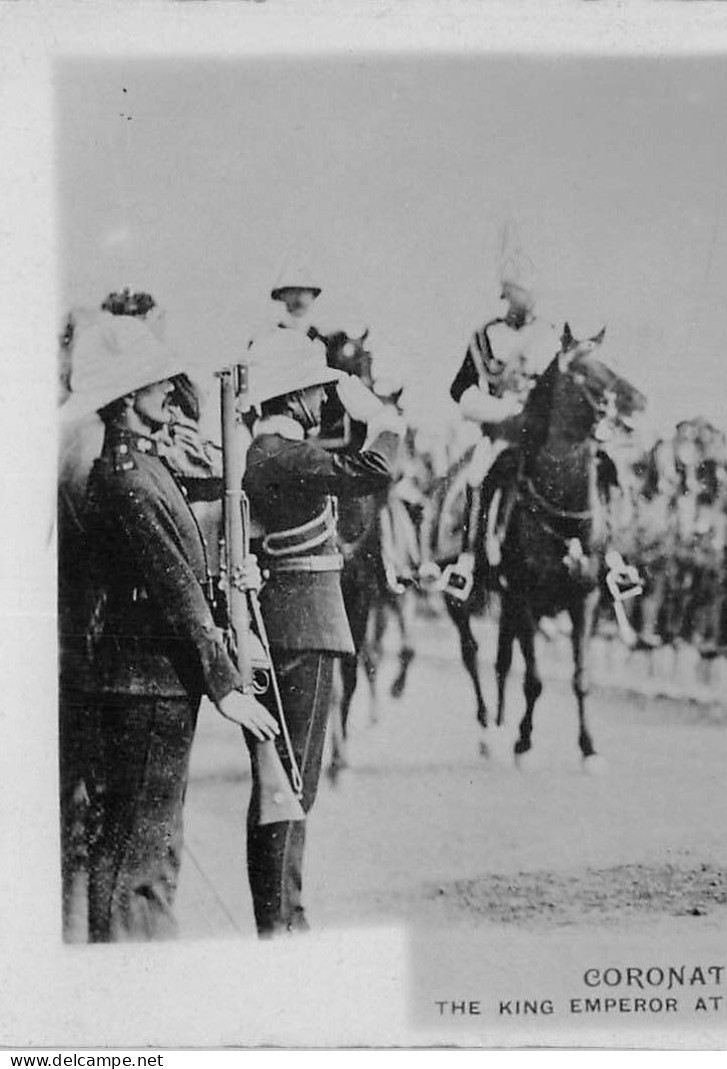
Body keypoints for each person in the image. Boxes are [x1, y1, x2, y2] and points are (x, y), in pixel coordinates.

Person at [64, 314, 278, 942]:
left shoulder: (145, 466)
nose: (170, 392)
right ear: (129, 399)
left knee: (138, 849)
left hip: (151, 687)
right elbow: (177, 591)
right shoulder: (129, 480)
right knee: (144, 860)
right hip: (147, 688)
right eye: (158, 383)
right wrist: (227, 684)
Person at [239, 345, 403, 936]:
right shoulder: (284, 454)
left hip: (299, 623)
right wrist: (385, 420)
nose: (324, 400)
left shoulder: (279, 451)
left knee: (289, 779)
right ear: (294, 399)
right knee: (290, 782)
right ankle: (280, 919)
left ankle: (287, 913)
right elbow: (377, 472)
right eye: (317, 391)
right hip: (299, 626)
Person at [441, 227, 559, 599]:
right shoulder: (486, 336)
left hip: (540, 436)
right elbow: (458, 388)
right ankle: (467, 561)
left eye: (529, 294)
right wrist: (497, 410)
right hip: (500, 435)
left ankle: (596, 557)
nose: (525, 301)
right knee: (476, 479)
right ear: (506, 294)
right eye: (518, 294)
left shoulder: (550, 336)